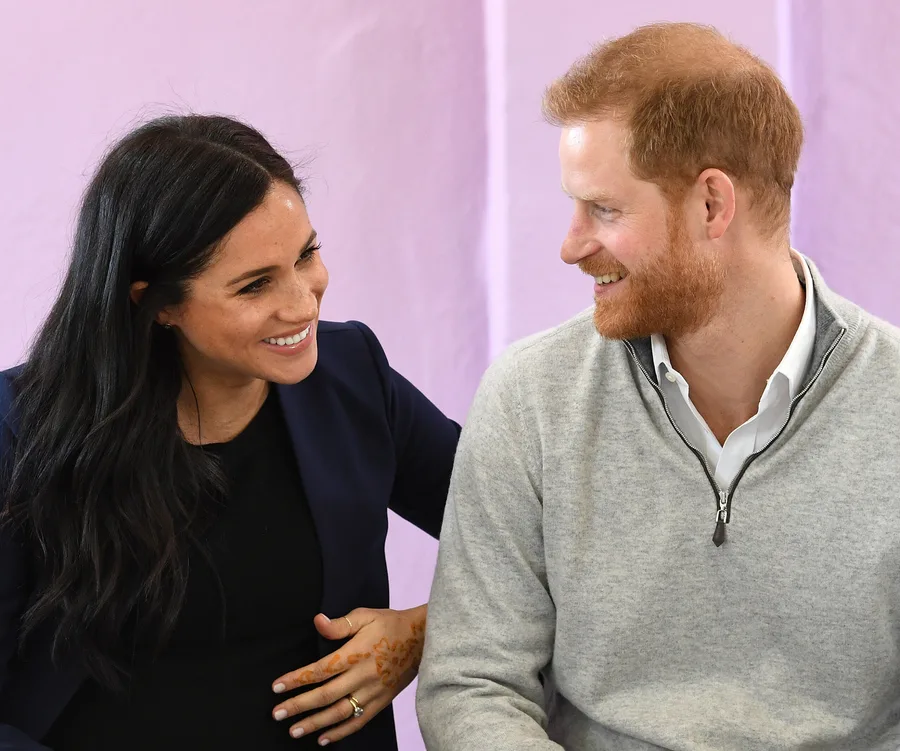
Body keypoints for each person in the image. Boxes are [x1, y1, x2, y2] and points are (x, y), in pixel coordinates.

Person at [417, 21, 900, 751]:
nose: (572, 244)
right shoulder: (529, 398)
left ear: (712, 204)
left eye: (604, 209)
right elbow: (472, 683)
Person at [0, 115, 459, 751]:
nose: (302, 304)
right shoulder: (17, 431)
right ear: (155, 304)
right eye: (254, 285)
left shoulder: (355, 377)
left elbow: (538, 539)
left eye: (306, 254)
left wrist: (427, 630)